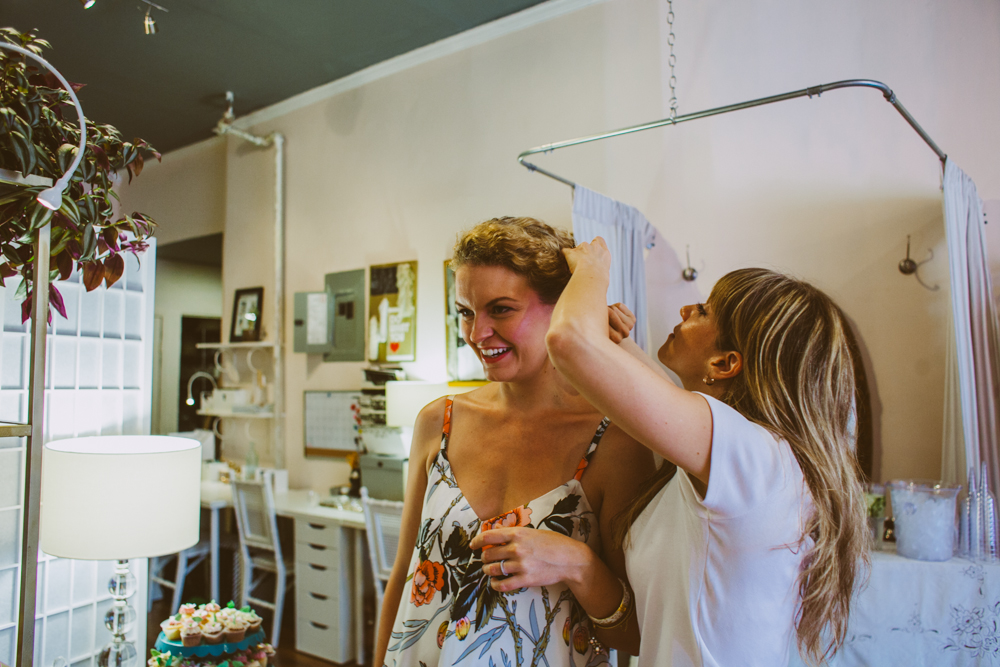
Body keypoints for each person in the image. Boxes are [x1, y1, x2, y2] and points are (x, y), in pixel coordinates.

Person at [545, 238, 871, 667]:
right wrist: (610, 340)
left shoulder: (753, 456)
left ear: (723, 364)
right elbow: (636, 382)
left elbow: (569, 342)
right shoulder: (746, 458)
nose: (685, 311)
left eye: (702, 312)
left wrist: (593, 269)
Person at [375, 218, 653, 667]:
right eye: (465, 311)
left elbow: (635, 633)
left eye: (500, 309)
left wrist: (578, 564)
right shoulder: (437, 422)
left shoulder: (614, 442)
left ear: (561, 308)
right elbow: (403, 576)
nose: (475, 333)